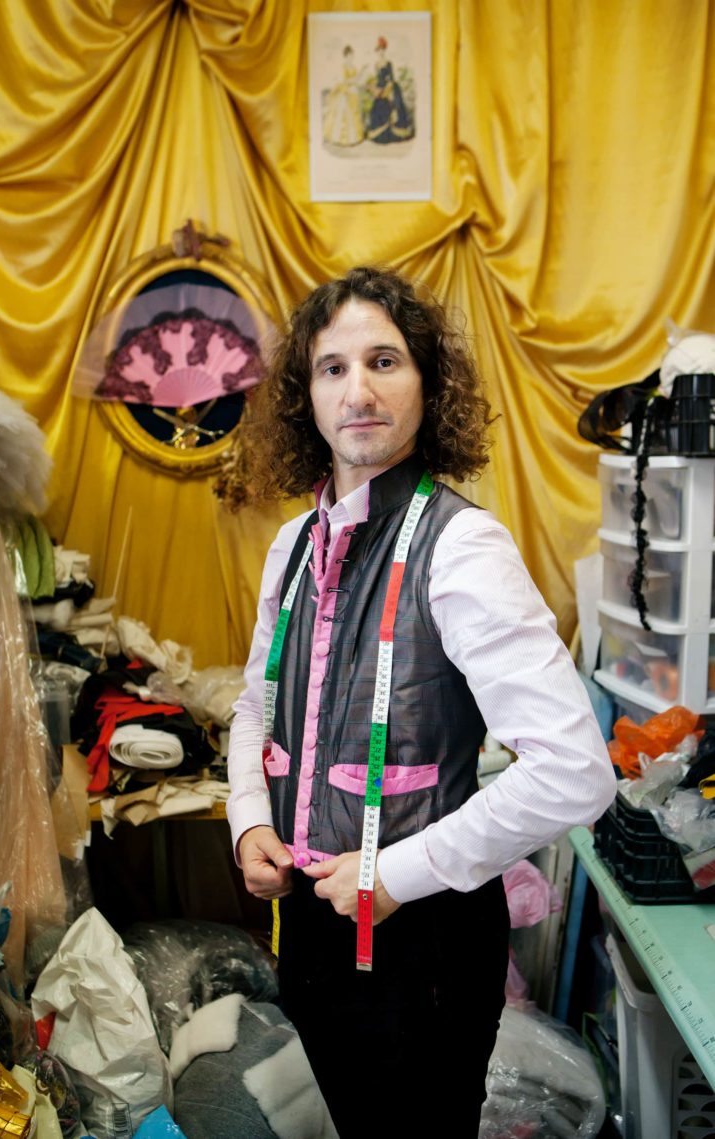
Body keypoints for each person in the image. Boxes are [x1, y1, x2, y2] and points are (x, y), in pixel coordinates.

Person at [226, 266, 616, 1138]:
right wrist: (249, 819)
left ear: (427, 385)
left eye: (384, 360)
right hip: (311, 921)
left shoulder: (463, 546)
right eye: (331, 367)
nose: (357, 390)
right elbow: (256, 704)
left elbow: (574, 773)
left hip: (419, 942)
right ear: (305, 397)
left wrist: (394, 875)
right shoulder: (293, 543)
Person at [365, 36, 413, 143]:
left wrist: (386, 90)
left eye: (382, 50)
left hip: (390, 88)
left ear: (384, 50)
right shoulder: (376, 64)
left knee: (392, 104)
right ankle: (381, 134)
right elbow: (378, 79)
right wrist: (375, 88)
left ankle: (394, 132)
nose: (380, 52)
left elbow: (391, 79)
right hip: (381, 89)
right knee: (377, 107)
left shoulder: (388, 63)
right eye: (378, 50)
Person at [322, 45, 364, 148]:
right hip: (345, 91)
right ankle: (341, 139)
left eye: (352, 55)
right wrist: (354, 80)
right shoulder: (343, 67)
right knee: (343, 113)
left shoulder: (353, 67)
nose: (351, 57)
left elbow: (356, 80)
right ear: (346, 55)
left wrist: (361, 73)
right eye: (350, 55)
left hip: (352, 91)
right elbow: (344, 81)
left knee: (353, 113)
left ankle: (353, 139)